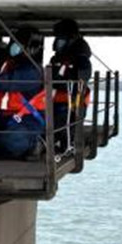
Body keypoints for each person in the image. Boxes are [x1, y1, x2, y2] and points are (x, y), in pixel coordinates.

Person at [0, 29, 46, 161]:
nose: (14, 47)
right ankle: (21, 151)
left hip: (27, 120)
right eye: (14, 43)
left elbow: (8, 81)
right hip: (6, 118)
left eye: (19, 44)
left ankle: (34, 144)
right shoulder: (12, 63)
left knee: (10, 141)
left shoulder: (33, 72)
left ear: (30, 49)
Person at [49, 18, 92, 153]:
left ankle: (67, 145)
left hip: (71, 103)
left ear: (71, 38)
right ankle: (52, 143)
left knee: (66, 126)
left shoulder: (82, 60)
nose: (58, 41)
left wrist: (58, 84)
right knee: (53, 125)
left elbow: (80, 82)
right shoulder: (57, 58)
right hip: (54, 101)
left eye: (61, 37)